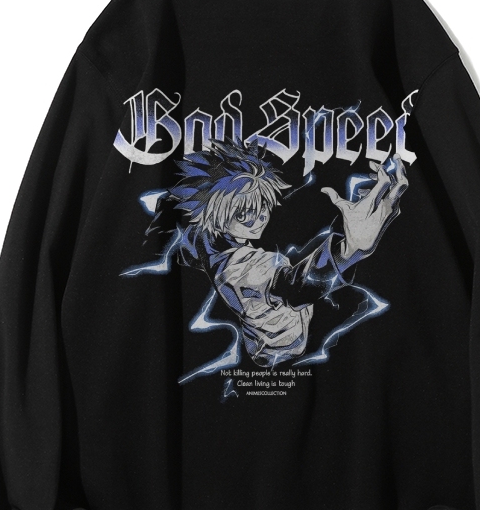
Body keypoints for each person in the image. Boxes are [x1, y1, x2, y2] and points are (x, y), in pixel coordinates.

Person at [127, 138, 408, 369]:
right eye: (242, 213)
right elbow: (294, 287)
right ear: (217, 212)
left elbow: (179, 241)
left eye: (262, 206)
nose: (258, 219)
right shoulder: (243, 268)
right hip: (283, 345)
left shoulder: (202, 234)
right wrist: (350, 250)